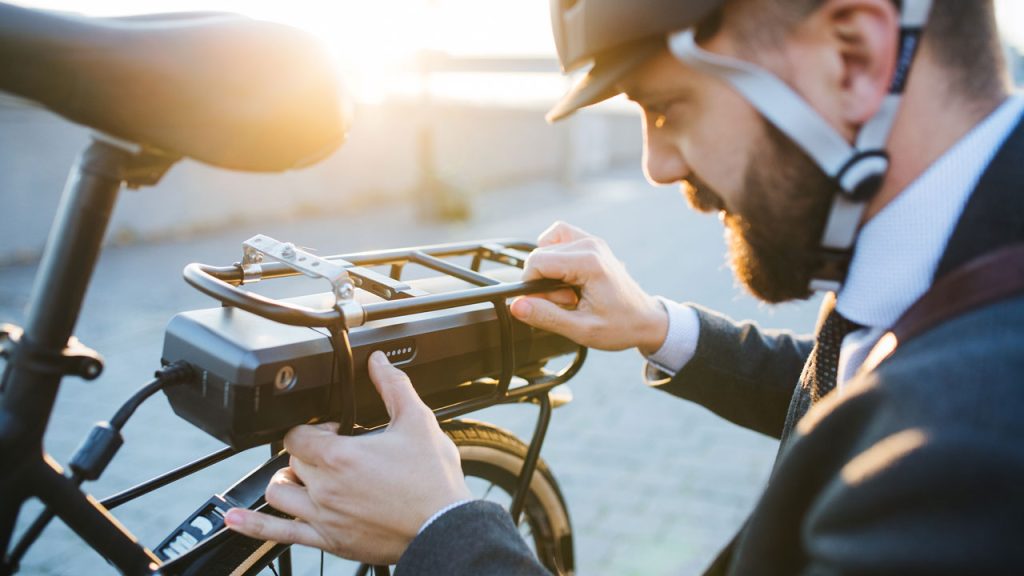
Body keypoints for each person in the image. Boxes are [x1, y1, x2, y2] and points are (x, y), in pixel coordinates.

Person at [225, 0, 1024, 573]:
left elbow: (915, 413)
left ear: (850, 56)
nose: (657, 164)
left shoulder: (972, 450)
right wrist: (656, 326)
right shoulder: (960, 254)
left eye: (668, 105)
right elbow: (851, 394)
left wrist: (443, 531)